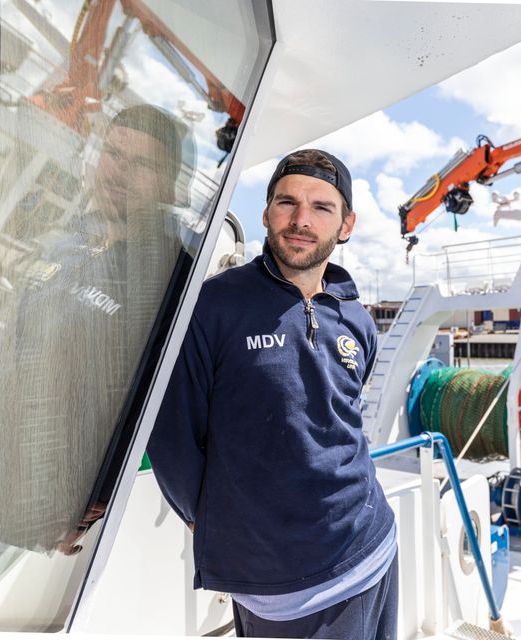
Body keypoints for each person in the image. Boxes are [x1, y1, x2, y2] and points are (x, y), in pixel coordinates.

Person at [148, 149, 398, 639]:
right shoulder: (213, 306)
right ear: (266, 214)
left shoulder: (356, 318)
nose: (301, 220)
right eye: (287, 203)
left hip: (374, 545)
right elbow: (172, 435)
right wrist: (211, 521)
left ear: (346, 225)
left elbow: (343, 417)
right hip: (282, 584)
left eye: (321, 207)